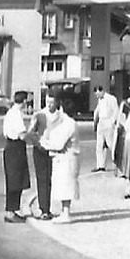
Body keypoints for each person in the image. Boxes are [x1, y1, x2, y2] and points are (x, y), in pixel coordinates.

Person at [39, 92, 80, 222]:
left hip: (67, 159)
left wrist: (44, 143)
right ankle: (64, 212)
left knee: (66, 186)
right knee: (63, 185)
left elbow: (58, 144)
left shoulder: (69, 124)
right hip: (63, 159)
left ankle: (66, 213)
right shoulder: (66, 122)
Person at [1, 92, 31, 222]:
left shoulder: (10, 112)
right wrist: (35, 139)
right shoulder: (16, 114)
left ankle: (12, 209)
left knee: (15, 180)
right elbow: (22, 134)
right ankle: (10, 211)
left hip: (11, 147)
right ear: (24, 101)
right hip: (15, 148)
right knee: (15, 180)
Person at [25, 92, 52, 219]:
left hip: (54, 150)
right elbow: (29, 133)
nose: (50, 105)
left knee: (50, 179)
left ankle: (48, 207)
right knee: (42, 179)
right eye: (48, 102)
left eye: (52, 102)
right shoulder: (39, 115)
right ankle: (44, 209)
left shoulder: (59, 116)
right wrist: (38, 142)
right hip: (40, 149)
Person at [92, 85, 120, 172]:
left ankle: (117, 163)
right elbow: (97, 111)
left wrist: (112, 122)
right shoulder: (100, 100)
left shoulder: (111, 99)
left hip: (108, 121)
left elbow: (116, 111)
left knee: (111, 144)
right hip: (101, 122)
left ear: (102, 91)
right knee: (99, 145)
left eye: (97, 94)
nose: (97, 96)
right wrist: (95, 123)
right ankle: (101, 165)